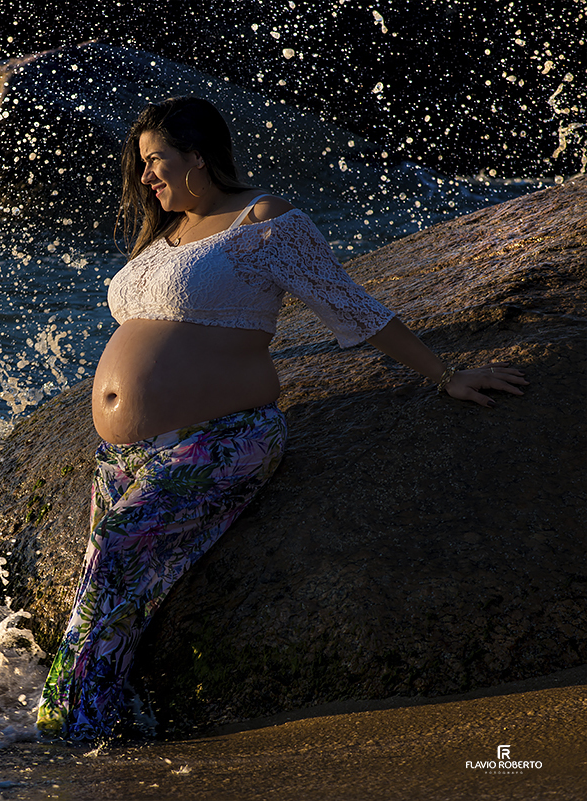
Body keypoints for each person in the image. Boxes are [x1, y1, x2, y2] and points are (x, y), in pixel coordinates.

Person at [34, 96, 528, 742]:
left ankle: (63, 729)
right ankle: (109, 724)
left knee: (117, 554)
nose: (147, 178)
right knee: (111, 594)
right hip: (127, 455)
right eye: (143, 167)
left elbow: (349, 303)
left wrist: (444, 374)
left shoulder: (264, 220)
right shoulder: (163, 237)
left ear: (199, 155)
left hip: (225, 437)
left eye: (155, 161)